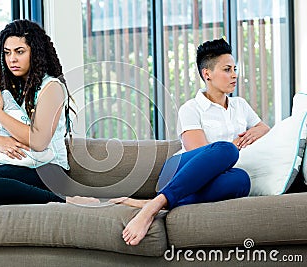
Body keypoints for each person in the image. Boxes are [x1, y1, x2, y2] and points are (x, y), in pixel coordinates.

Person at [110, 38, 270, 246]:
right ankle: (152, 207)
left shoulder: (240, 105)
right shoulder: (190, 109)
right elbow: (202, 153)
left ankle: (153, 203)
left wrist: (254, 133)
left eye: (235, 69)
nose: (234, 75)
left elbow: (264, 128)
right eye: (227, 69)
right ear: (207, 74)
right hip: (178, 172)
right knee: (227, 151)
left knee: (241, 180)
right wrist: (233, 145)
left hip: (205, 181)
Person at [0, 19, 99, 208]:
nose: (12, 59)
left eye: (20, 52)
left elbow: (38, 142)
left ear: (35, 53)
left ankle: (63, 199)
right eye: (7, 53)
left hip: (48, 171)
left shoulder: (51, 88)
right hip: (15, 168)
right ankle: (4, 193)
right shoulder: (3, 89)